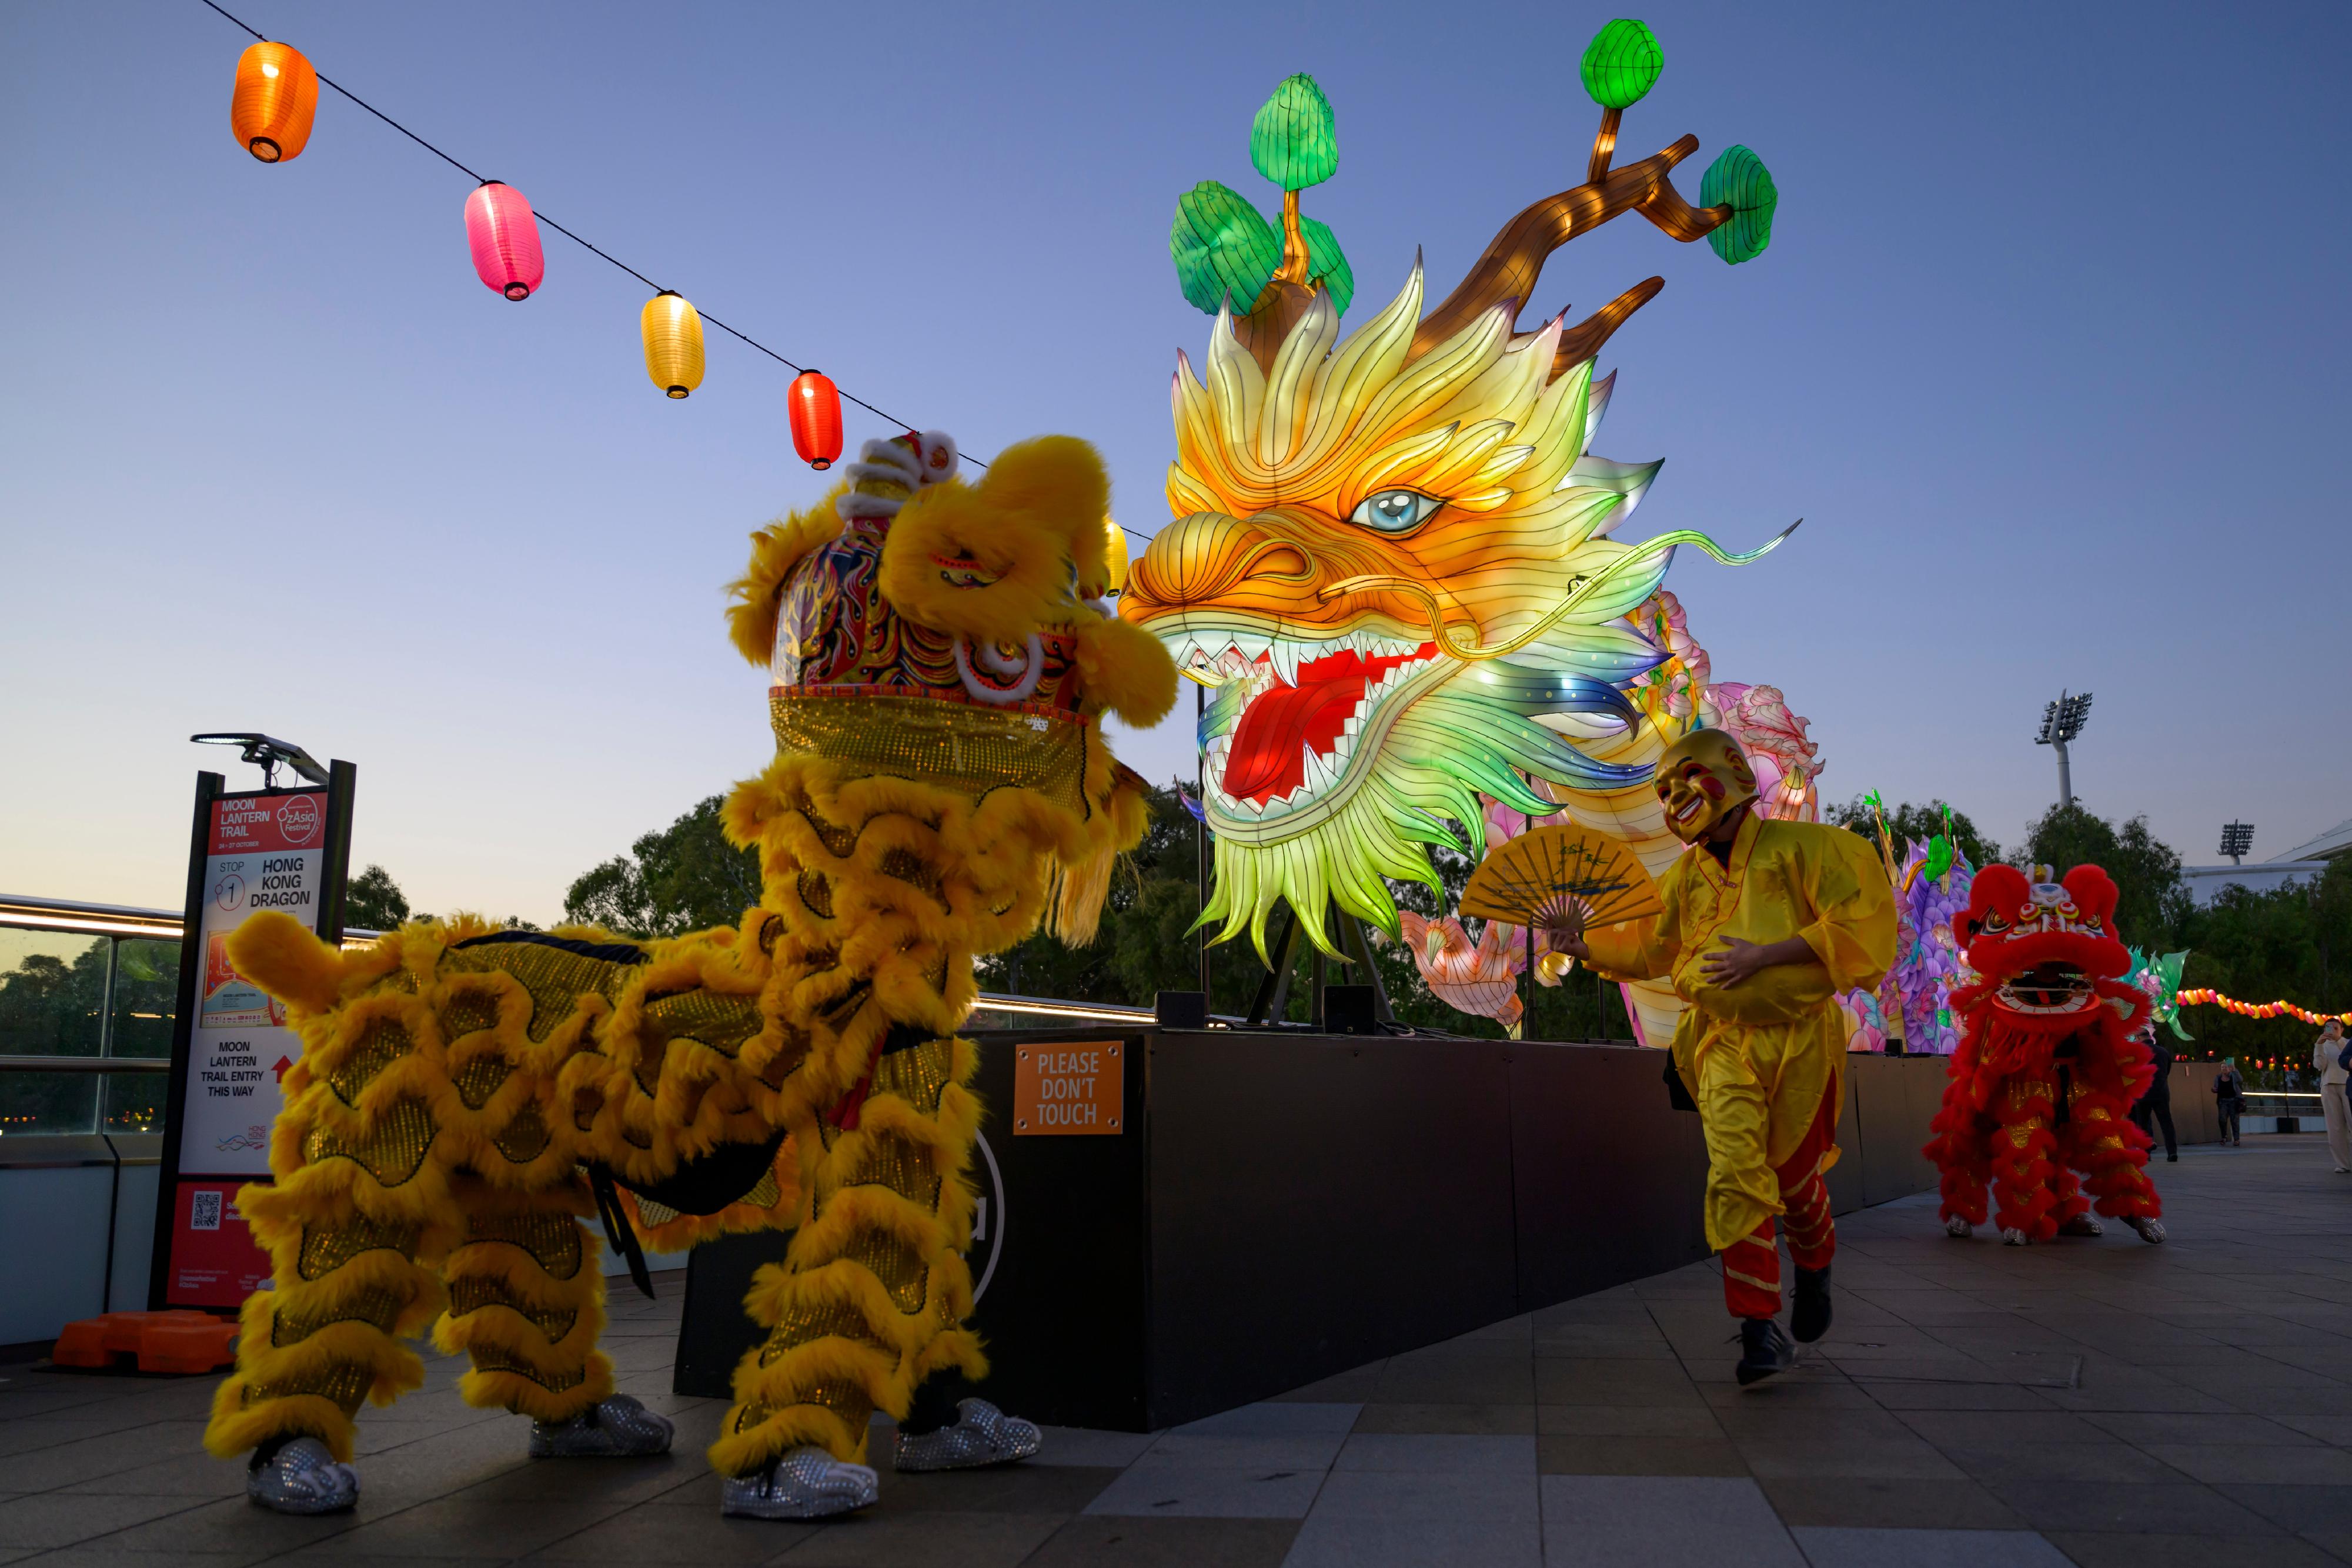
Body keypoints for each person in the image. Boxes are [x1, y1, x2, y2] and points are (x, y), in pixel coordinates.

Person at [1552, 728, 1896, 1385]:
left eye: (1686, 778)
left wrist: (1765, 955)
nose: (1674, 796)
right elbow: (1654, 952)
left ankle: (1815, 1268)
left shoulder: (1809, 849)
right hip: (1720, 1044)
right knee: (1735, 1174)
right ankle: (1758, 1329)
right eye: (1664, 789)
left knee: (1795, 1185)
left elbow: (1859, 921)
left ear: (1731, 776)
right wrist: (1584, 946)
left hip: (1799, 1040)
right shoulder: (1684, 876)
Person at [2130, 1026, 2179, 1162]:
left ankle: (2146, 1154)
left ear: (2139, 1038)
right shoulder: (2163, 1052)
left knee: (2143, 1123)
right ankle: (2172, 1152)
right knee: (2166, 1123)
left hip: (2143, 1092)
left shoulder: (2137, 1052)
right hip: (2161, 1092)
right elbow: (2167, 1071)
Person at [2315, 1021, 2351, 1172]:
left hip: (2347, 1085)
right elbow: (2319, 1065)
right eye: (2329, 1028)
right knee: (2335, 1128)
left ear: (2342, 1029)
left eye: (2336, 1028)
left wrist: (2338, 1040)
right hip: (2329, 1086)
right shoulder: (2322, 1045)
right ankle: (2343, 1164)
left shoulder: (2347, 1043)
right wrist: (2318, 1046)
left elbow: (2346, 1058)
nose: (2333, 1031)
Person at [2214, 1058, 2246, 1146]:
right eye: (2222, 1067)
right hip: (2223, 1102)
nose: (2224, 1068)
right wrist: (2214, 1089)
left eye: (2226, 1067)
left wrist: (2234, 1070)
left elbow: (2240, 1079)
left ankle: (2237, 1139)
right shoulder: (2218, 1077)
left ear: (2229, 1068)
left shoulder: (2233, 1076)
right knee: (2222, 1119)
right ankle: (2224, 1137)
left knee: (2235, 1121)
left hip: (2234, 1101)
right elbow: (2215, 1087)